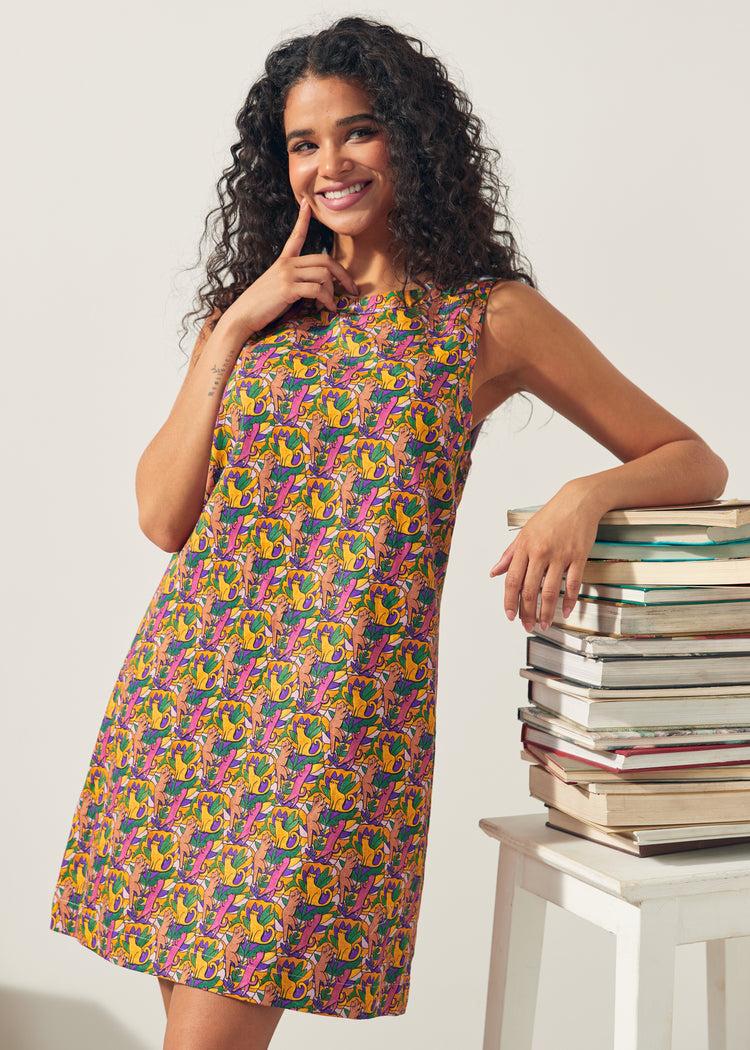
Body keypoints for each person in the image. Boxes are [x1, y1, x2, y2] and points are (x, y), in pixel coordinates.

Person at [49, 14, 728, 1050]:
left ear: (410, 137)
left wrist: (583, 496)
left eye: (357, 131)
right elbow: (161, 515)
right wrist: (232, 328)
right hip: (187, 694)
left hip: (330, 711)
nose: (330, 164)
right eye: (304, 143)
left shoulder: (486, 316)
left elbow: (693, 459)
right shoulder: (262, 320)